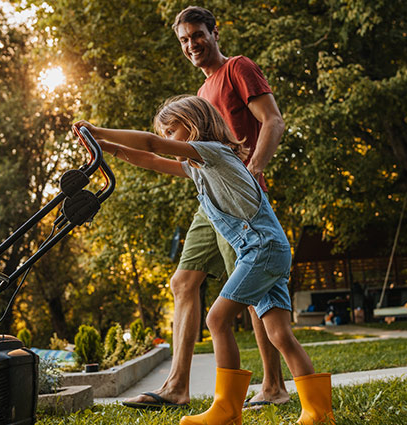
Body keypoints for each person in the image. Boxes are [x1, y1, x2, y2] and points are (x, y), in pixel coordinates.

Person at [75, 94, 334, 425]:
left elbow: (152, 145)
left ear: (191, 125)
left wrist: (99, 131)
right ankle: (318, 412)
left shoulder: (215, 153)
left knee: (216, 321)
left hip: (262, 249)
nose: (168, 140)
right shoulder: (199, 168)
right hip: (266, 250)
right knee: (280, 334)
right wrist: (107, 150)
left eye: (171, 132)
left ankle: (226, 409)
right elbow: (152, 160)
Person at [123, 5, 288, 409]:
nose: (192, 44)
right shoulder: (200, 95)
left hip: (239, 205)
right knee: (182, 282)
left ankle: (273, 386)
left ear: (215, 33)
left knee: (250, 289)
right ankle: (177, 386)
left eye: (198, 34)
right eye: (184, 39)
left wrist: (253, 171)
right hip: (209, 204)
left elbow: (272, 120)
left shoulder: (237, 68)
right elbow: (177, 157)